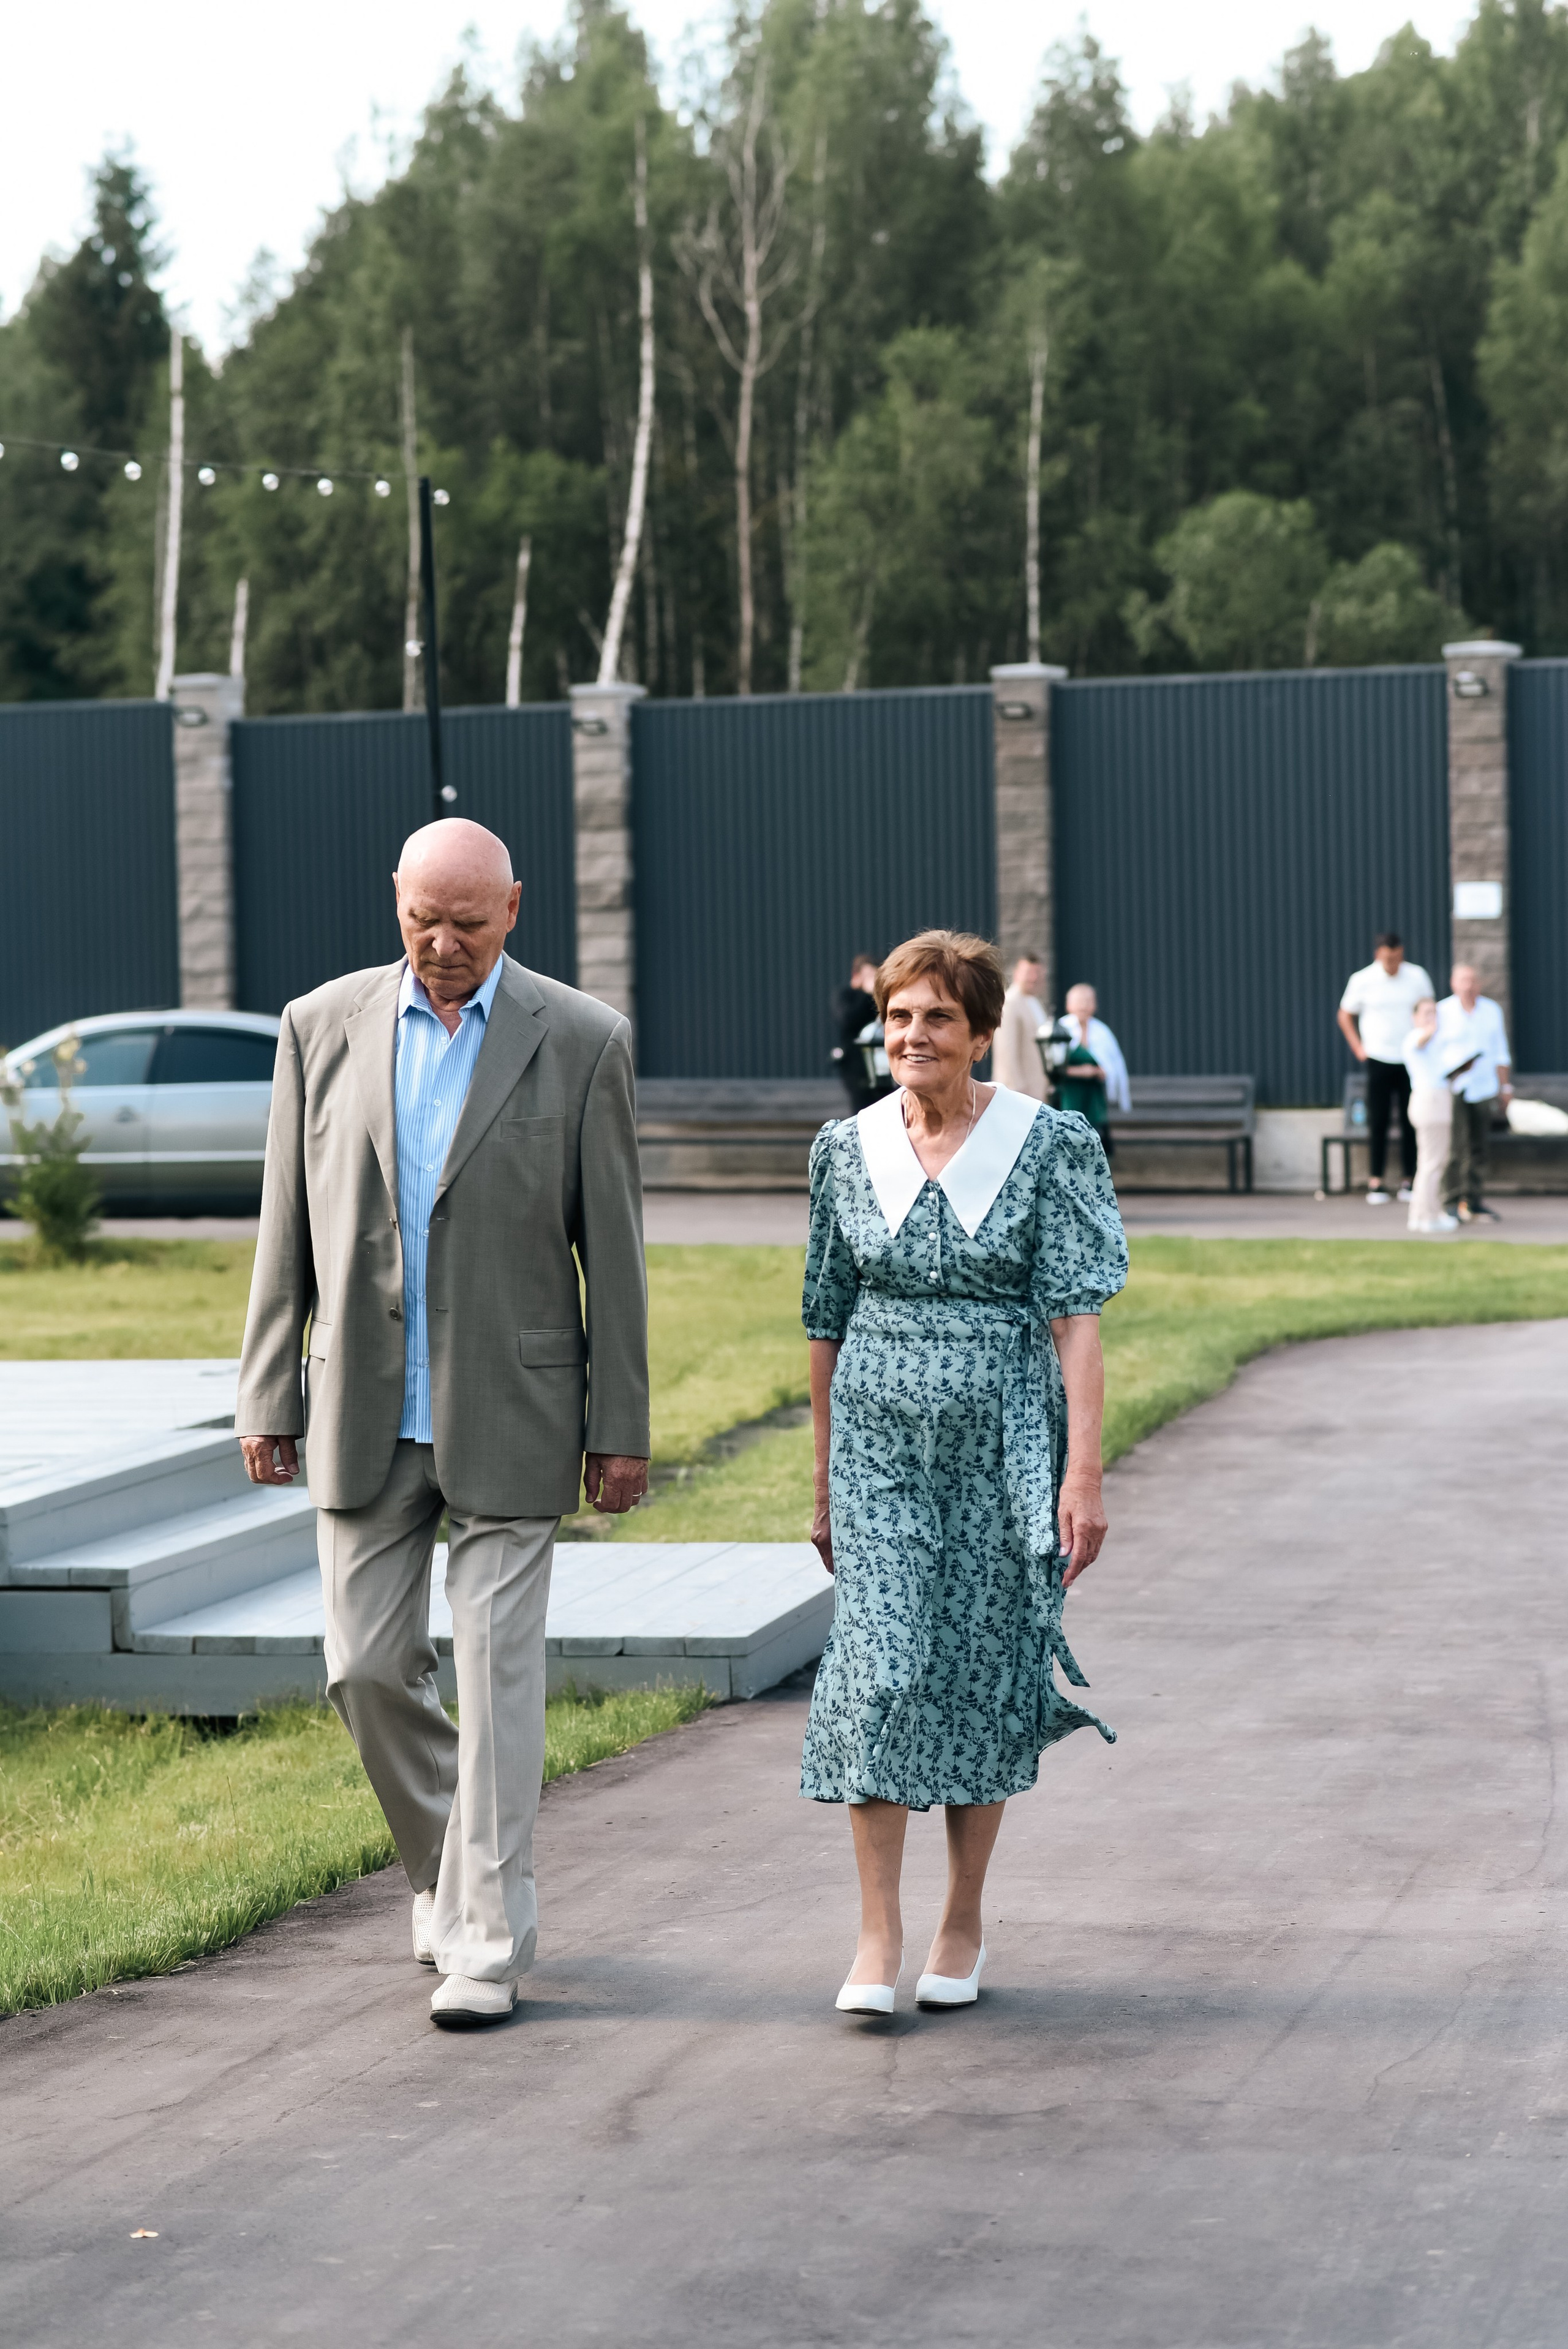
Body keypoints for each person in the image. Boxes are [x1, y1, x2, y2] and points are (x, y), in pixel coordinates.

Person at [236, 819, 650, 2029]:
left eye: (468, 922)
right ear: (397, 902)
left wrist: (617, 1426)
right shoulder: (321, 1027)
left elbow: (612, 1257)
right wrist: (269, 1390)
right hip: (360, 1404)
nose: (443, 943)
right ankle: (445, 1868)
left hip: (516, 1408)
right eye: (424, 917)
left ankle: (482, 1936)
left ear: (513, 910)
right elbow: (284, 1226)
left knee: (498, 1677)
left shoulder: (578, 1040)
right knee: (362, 1669)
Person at [801, 929, 1128, 2017]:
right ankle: (876, 1932)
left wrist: (1083, 1473)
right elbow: (824, 1319)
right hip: (879, 1443)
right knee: (884, 1668)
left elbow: (1076, 1319)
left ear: (984, 1033)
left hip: (1004, 1441)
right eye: (898, 1017)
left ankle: (963, 1915)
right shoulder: (844, 1150)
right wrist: (820, 1485)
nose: (913, 1036)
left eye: (938, 1017)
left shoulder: (1049, 1146)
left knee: (982, 1669)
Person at [1337, 933, 1436, 1205]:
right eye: (1387, 958)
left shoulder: (1417, 977)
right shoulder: (1363, 980)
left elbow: (1428, 1011)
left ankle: (1410, 1179)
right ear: (1378, 954)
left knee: (1410, 1120)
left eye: (1397, 958)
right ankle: (1376, 1180)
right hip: (1379, 1057)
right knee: (1378, 1121)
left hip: (1410, 1058)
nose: (1393, 964)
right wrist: (1359, 1048)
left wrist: (1426, 1040)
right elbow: (1345, 1014)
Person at [1436, 965, 1513, 1223]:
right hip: (1455, 1088)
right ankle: (1451, 1201)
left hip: (1483, 1088)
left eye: (1472, 980)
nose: (1468, 986)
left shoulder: (1491, 1011)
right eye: (1463, 981)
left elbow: (1500, 1051)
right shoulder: (1442, 1011)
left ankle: (1474, 1200)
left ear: (1478, 984)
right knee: (1456, 1148)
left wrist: (1505, 1087)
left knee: (1479, 1147)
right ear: (1453, 983)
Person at [1401, 998, 1464, 1235]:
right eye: (1426, 1013)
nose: (1432, 1017)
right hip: (1430, 1102)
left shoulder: (1436, 1044)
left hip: (1437, 1098)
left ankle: (1420, 1214)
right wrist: (1430, 1029)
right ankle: (1429, 1216)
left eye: (1434, 1013)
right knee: (1433, 1163)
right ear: (1414, 1017)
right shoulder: (1415, 1038)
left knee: (1429, 1162)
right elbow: (1421, 1041)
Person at [831, 954, 888, 1116]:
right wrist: (868, 994)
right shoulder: (846, 996)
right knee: (861, 1111)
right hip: (857, 1068)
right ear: (856, 976)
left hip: (883, 1066)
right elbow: (847, 1020)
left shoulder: (883, 998)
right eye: (870, 976)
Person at [992, 956, 1049, 1099]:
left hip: (1036, 1091)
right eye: (1029, 973)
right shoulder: (1010, 1004)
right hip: (1020, 1093)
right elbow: (1007, 1052)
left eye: (1038, 973)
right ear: (1017, 974)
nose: (1034, 978)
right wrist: (1017, 1091)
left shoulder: (1035, 1002)